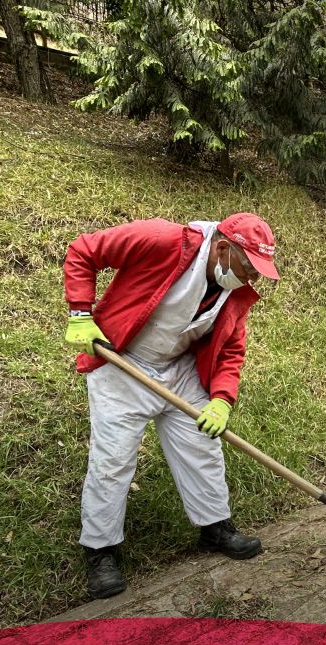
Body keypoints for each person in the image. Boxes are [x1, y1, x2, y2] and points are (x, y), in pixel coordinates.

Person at [62, 213, 280, 599]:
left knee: (203, 448)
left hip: (178, 368)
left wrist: (221, 400)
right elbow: (83, 251)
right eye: (249, 267)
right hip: (122, 362)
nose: (253, 278)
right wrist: (80, 313)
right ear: (223, 248)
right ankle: (100, 551)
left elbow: (231, 348)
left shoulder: (235, 291)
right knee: (112, 462)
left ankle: (215, 528)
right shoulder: (163, 240)